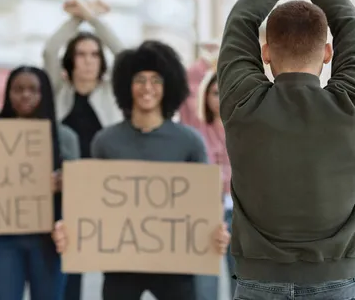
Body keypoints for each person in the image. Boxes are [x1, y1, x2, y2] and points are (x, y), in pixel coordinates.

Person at [217, 0, 355, 299]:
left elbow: (240, 22)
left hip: (257, 284)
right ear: (327, 53)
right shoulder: (354, 105)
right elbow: (351, 24)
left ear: (266, 52)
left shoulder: (243, 105)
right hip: (336, 285)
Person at [51, 40, 230, 300]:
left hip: (177, 263)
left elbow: (205, 203)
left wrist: (217, 231)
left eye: (156, 80)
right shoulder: (105, 141)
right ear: (127, 86)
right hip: (121, 264)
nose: (148, 88)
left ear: (168, 86)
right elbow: (92, 203)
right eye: (140, 80)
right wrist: (69, 229)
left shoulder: (189, 141)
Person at [43, 0, 124, 299]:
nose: (88, 60)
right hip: (67, 191)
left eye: (94, 55)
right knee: (70, 264)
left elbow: (124, 54)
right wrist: (76, 21)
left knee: (114, 265)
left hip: (106, 190)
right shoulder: (58, 93)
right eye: (80, 54)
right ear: (71, 61)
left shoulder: (112, 92)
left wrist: (93, 18)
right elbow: (50, 50)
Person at [0, 66, 80, 300]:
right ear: (8, 94)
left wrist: (66, 182)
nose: (25, 95)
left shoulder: (66, 137)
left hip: (49, 239)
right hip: (3, 238)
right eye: (18, 89)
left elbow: (83, 191)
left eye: (33, 90)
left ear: (45, 95)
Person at [182, 68, 237, 299]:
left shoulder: (244, 129)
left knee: (241, 280)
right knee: (204, 286)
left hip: (238, 213)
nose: (220, 98)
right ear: (205, 96)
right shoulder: (195, 130)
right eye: (215, 92)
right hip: (204, 214)